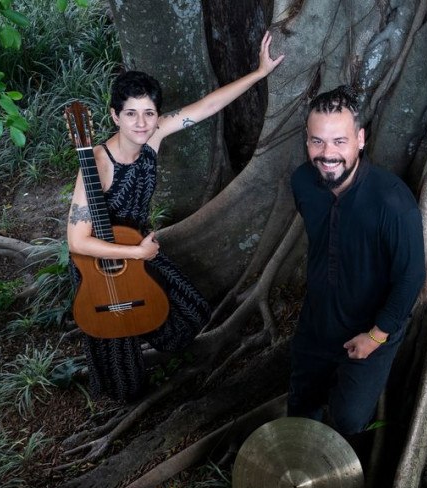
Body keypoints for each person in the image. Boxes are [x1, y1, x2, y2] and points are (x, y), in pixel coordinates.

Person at [67, 32, 285, 401]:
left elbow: (207, 106)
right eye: (131, 114)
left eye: (149, 113)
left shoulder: (153, 135)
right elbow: (77, 241)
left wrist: (259, 73)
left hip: (140, 249)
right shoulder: (98, 163)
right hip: (100, 267)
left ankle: (145, 335)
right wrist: (137, 253)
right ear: (115, 115)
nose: (141, 123)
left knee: (192, 312)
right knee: (123, 376)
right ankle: (127, 374)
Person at [287, 85, 426, 440]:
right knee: (301, 404)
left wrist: (376, 336)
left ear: (360, 139)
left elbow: (411, 277)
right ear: (307, 140)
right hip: (317, 321)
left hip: (371, 328)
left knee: (348, 420)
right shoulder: (302, 182)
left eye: (339, 141)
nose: (327, 154)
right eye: (317, 142)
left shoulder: (393, 203)